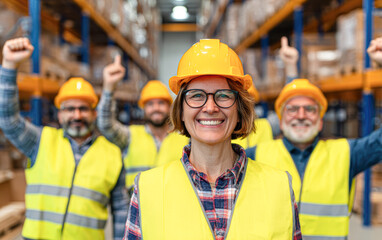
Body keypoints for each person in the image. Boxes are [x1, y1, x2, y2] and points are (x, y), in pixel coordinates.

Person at [123, 39, 302, 240]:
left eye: (224, 95)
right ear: (181, 110)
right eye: (197, 96)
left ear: (239, 109)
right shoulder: (147, 189)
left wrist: (291, 70)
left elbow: (291, 110)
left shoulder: (279, 187)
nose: (210, 107)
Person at [245, 38, 382, 239]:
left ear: (320, 122)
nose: (301, 115)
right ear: (280, 121)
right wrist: (290, 68)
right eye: (292, 109)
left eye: (309, 109)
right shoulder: (256, 156)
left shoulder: (345, 154)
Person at [0, 38, 128, 240]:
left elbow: (121, 211)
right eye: (69, 109)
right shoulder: (40, 141)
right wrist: (9, 65)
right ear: (59, 115)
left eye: (83, 108)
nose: (76, 115)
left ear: (94, 114)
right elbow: (7, 119)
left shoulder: (113, 155)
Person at [98, 57, 189, 191]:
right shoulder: (130, 136)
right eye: (150, 104)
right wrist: (109, 88)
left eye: (161, 103)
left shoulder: (184, 138)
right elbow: (105, 125)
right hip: (137, 208)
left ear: (170, 107)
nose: (156, 108)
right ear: (144, 109)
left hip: (173, 208)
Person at [232, 36, 299, 148]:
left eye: (247, 102)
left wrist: (290, 67)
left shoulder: (264, 127)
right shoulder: (209, 130)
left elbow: (290, 109)